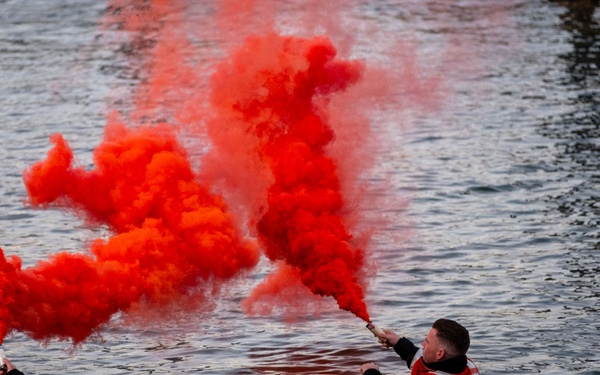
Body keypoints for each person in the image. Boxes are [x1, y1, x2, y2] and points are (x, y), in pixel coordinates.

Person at [360, 318, 479, 375]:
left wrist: (371, 372)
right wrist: (398, 343)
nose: (423, 344)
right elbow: (423, 360)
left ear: (440, 353)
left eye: (427, 342)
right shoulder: (466, 364)